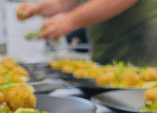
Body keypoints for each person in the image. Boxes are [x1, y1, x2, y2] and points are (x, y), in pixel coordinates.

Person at [17, 0, 157, 67]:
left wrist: (71, 19)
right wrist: (39, 7)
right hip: (108, 47)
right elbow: (69, 2)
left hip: (140, 42)